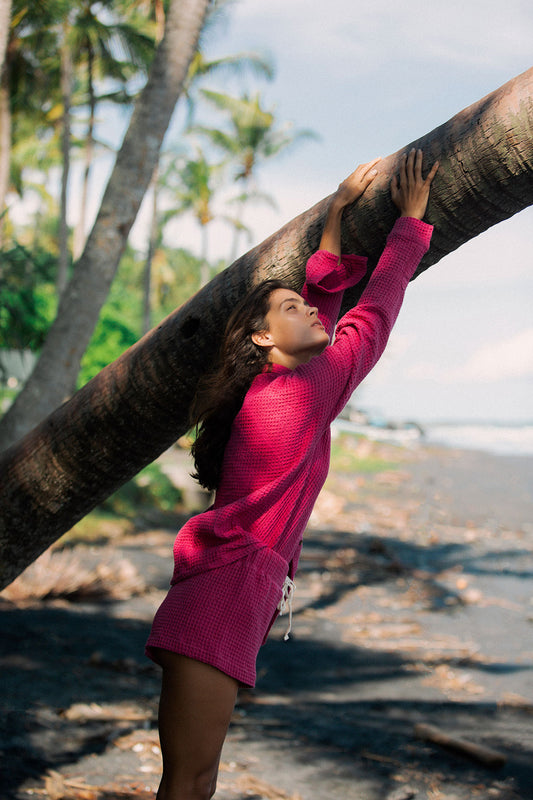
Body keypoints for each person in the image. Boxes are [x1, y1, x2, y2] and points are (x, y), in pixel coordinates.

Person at [146, 148, 439, 800]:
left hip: (231, 594)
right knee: (188, 783)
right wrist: (408, 224)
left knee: (198, 780)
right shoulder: (302, 390)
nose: (309, 313)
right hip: (219, 597)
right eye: (288, 311)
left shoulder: (284, 384)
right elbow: (374, 312)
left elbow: (323, 297)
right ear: (259, 338)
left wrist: (336, 212)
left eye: (303, 306)